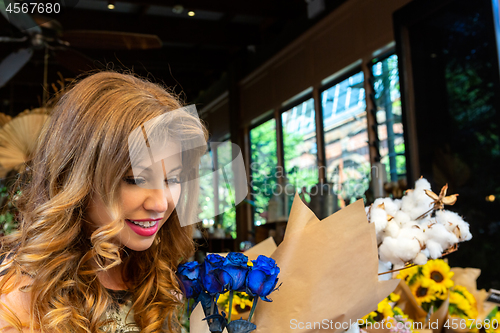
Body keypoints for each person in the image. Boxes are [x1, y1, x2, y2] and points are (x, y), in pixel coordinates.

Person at [0, 71, 208, 332]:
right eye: (136, 180)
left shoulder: (157, 273)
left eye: (174, 179)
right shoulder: (22, 294)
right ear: (76, 178)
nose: (160, 204)